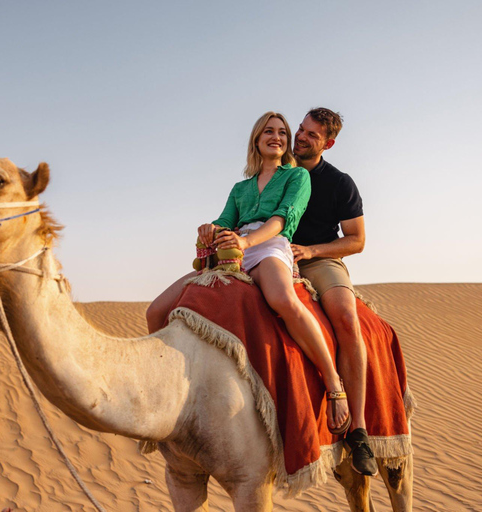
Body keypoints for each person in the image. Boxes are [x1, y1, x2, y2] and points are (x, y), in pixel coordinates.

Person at [146, 111, 351, 436]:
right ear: (256, 139)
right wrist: (211, 230)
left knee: (283, 299)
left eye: (283, 132)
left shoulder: (297, 178)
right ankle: (161, 389)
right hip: (234, 248)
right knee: (156, 310)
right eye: (269, 131)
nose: (278, 137)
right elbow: (225, 221)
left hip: (270, 244)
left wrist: (246, 240)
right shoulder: (240, 188)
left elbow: (283, 219)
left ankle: (334, 383)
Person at [290, 107, 377, 476]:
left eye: (311, 134)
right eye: (301, 129)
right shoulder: (278, 170)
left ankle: (357, 430)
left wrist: (312, 251)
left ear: (329, 142)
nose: (301, 137)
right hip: (273, 254)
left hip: (319, 259)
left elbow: (356, 240)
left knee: (345, 317)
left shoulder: (340, 183)